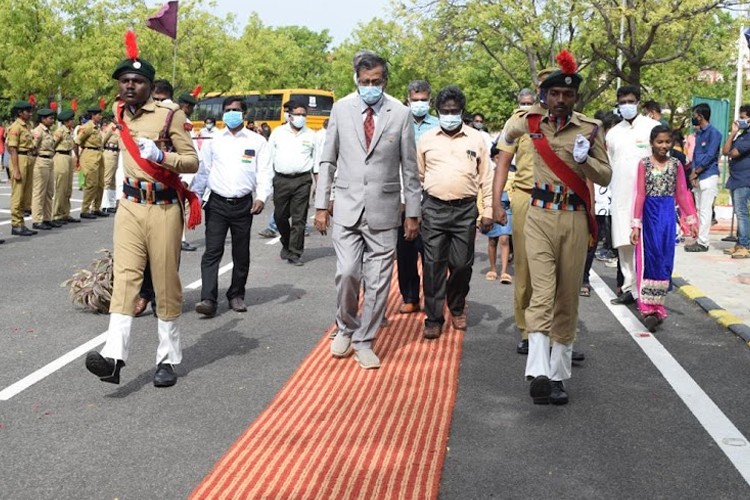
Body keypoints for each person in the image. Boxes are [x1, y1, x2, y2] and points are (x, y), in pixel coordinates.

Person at [85, 31, 200, 388]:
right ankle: (114, 358)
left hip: (164, 207)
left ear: (149, 86)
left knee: (165, 284)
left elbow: (193, 162)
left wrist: (161, 156)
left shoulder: (170, 117)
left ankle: (167, 359)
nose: (130, 86)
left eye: (137, 81)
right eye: (125, 81)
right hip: (131, 205)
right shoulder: (119, 112)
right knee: (126, 280)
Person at [502, 50, 611, 405]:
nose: (561, 100)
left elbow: (606, 176)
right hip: (539, 215)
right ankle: (539, 372)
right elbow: (506, 133)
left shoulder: (591, 129)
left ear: (576, 98)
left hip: (574, 218)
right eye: (554, 94)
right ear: (546, 96)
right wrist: (529, 110)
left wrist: (587, 160)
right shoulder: (532, 123)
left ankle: (559, 375)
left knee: (566, 296)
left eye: (567, 94)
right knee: (542, 293)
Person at [314, 51, 421, 369]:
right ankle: (345, 326)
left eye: (376, 82)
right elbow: (327, 159)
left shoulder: (399, 114)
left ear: (385, 81)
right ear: (356, 81)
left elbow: (410, 169)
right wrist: (321, 206)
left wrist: (412, 212)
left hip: (385, 210)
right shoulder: (341, 109)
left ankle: (364, 339)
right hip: (346, 207)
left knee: (377, 281)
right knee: (347, 273)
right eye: (364, 82)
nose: (370, 87)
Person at [418, 86, 492, 339]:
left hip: (465, 211)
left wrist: (489, 210)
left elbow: (487, 178)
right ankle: (434, 317)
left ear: (462, 112)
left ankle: (457, 306)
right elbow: (417, 175)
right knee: (432, 265)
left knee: (461, 264)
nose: (450, 115)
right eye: (445, 111)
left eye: (455, 111)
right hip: (433, 209)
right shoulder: (427, 138)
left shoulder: (476, 139)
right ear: (437, 111)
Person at [192, 96, 273, 317]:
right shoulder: (213, 140)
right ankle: (208, 299)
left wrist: (262, 197)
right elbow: (204, 171)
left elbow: (265, 172)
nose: (231, 113)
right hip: (217, 203)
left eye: (235, 110)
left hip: (244, 205)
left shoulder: (257, 142)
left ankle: (236, 294)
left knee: (241, 252)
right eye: (227, 110)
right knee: (212, 251)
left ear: (244, 114)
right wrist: (195, 198)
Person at [630, 125, 698, 331]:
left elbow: (682, 194)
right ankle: (646, 308)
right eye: (659, 142)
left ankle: (658, 307)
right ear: (652, 143)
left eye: (667, 142)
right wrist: (635, 224)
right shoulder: (644, 164)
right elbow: (640, 194)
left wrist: (691, 221)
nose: (664, 145)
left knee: (664, 260)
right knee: (648, 259)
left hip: (667, 215)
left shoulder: (676, 164)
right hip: (649, 215)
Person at [606, 85, 660, 305]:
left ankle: (647, 288)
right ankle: (629, 287)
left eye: (630, 101)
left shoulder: (652, 128)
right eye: (622, 102)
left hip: (647, 197)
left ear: (638, 102)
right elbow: (610, 163)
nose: (626, 105)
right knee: (623, 242)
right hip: (619, 193)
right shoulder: (613, 133)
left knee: (646, 243)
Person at [494, 87, 537, 353]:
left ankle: (559, 334)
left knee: (561, 272)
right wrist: (495, 203)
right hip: (525, 198)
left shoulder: (571, 122)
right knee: (524, 267)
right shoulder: (516, 124)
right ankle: (526, 330)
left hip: (560, 203)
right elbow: (502, 163)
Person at [397, 80, 439, 314]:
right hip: (402, 194)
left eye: (423, 100)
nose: (419, 103)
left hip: (430, 194)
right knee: (405, 250)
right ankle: (410, 297)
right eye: (415, 100)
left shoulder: (439, 125)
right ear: (408, 99)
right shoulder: (398, 122)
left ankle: (433, 299)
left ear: (430, 100)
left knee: (431, 252)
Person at [268, 101, 316, 265]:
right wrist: (267, 184)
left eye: (303, 114)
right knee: (280, 216)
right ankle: (286, 242)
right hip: (281, 179)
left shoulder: (311, 135)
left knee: (299, 219)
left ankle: (295, 253)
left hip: (302, 180)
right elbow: (269, 158)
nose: (300, 117)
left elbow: (316, 163)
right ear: (289, 116)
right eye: (297, 114)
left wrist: (319, 185)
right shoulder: (278, 133)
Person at [685, 103, 721, 252]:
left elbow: (711, 155)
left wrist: (697, 172)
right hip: (698, 176)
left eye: (695, 115)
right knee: (699, 210)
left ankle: (703, 242)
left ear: (701, 116)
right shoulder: (699, 134)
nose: (694, 118)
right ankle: (698, 238)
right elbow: (695, 155)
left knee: (706, 210)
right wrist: (693, 173)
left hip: (708, 175)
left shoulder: (714, 133)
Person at [7, 100, 39, 236]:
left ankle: (21, 223)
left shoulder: (27, 126)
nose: (30, 113)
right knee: (18, 194)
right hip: (19, 159)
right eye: (27, 111)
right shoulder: (16, 127)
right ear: (20, 113)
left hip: (27, 158)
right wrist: (16, 170)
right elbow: (12, 149)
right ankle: (16, 224)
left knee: (25, 195)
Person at [722, 105, 750, 258]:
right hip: (736, 178)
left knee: (741, 212)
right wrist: (733, 133)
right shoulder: (742, 135)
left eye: (744, 117)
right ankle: (740, 243)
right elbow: (725, 151)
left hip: (744, 179)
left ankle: (745, 245)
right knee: (739, 212)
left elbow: (733, 153)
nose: (741, 120)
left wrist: (734, 134)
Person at [483, 146, 513, 283]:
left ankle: (504, 271)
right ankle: (493, 268)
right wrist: (483, 214)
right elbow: (481, 194)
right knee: (492, 240)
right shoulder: (488, 174)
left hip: (507, 209)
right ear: (493, 159)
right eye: (497, 157)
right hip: (491, 208)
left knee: (505, 238)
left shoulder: (513, 173)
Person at [30, 108, 61, 230]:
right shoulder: (38, 131)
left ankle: (47, 218)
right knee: (39, 192)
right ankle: (37, 220)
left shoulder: (48, 131)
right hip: (41, 161)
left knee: (49, 192)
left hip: (49, 160)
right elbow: (32, 147)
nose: (52, 120)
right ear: (43, 119)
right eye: (50, 118)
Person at [76, 106, 108, 219]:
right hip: (89, 155)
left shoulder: (97, 127)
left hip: (99, 154)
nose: (100, 116)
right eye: (98, 114)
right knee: (91, 183)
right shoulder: (87, 127)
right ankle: (85, 209)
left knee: (100, 184)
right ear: (93, 115)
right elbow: (77, 141)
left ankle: (96, 208)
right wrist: (78, 157)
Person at [52, 110, 80, 224]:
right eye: (71, 120)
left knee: (68, 188)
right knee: (61, 188)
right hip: (60, 157)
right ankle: (56, 214)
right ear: (66, 121)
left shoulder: (69, 131)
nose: (73, 122)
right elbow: (52, 146)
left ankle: (65, 213)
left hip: (68, 157)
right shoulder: (60, 131)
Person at [100, 113, 120, 214]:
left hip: (116, 153)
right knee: (107, 179)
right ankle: (105, 205)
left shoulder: (119, 127)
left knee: (112, 180)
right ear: (113, 119)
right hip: (109, 153)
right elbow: (103, 140)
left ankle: (111, 204)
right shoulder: (111, 127)